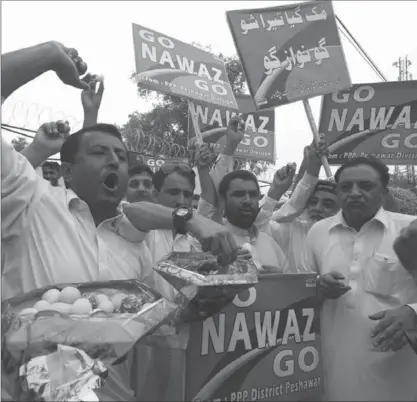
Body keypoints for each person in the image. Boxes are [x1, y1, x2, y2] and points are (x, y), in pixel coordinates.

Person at [1, 40, 239, 401]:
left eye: (121, 156)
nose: (114, 162)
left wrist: (191, 312)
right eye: (100, 153)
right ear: (67, 170)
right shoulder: (30, 201)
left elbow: (146, 322)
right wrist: (49, 54)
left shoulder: (133, 242)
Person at [304, 156, 417, 401]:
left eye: (365, 186)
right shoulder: (318, 232)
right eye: (346, 187)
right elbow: (298, 299)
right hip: (335, 375)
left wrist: (412, 311)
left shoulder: (410, 231)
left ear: (384, 191)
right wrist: (317, 287)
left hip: (400, 379)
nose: (354, 193)